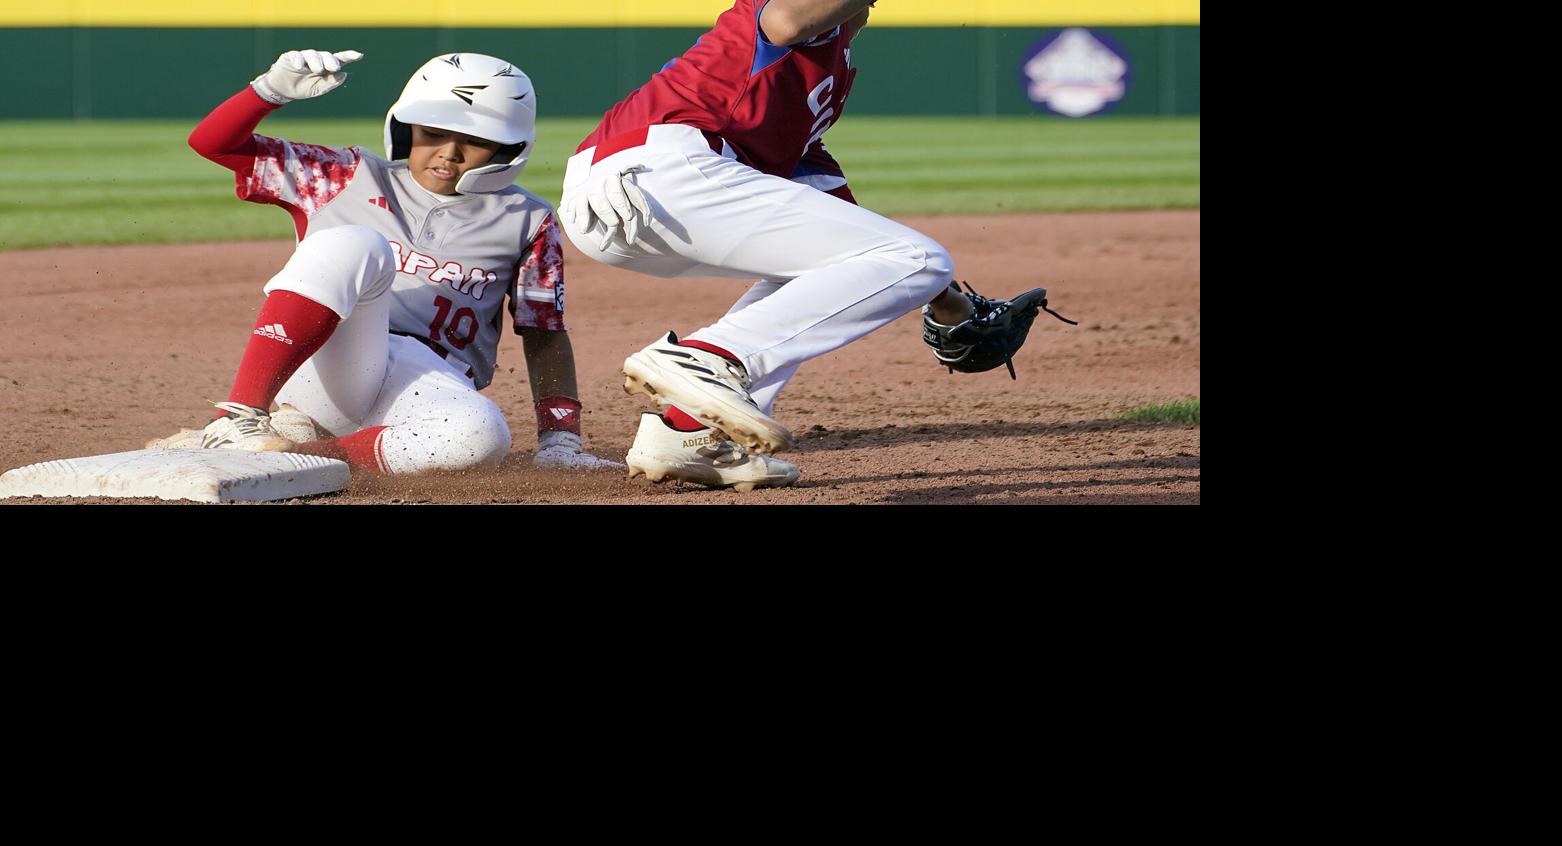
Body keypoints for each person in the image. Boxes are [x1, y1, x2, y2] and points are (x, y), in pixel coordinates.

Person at [558, 0, 1054, 491]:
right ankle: (710, 356)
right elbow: (788, 19)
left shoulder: (821, 83)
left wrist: (952, 306)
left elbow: (853, 239)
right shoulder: (789, 22)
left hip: (623, 201)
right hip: (661, 170)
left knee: (845, 267)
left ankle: (692, 433)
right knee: (923, 258)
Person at [150, 49, 619, 474]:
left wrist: (560, 439)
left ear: (508, 148)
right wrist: (267, 92)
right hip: (325, 360)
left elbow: (543, 331)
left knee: (483, 436)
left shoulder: (528, 218)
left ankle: (295, 455)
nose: (448, 153)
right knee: (354, 243)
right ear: (405, 127)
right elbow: (213, 144)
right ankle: (237, 422)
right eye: (432, 132)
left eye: (473, 140)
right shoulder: (345, 176)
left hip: (424, 384)